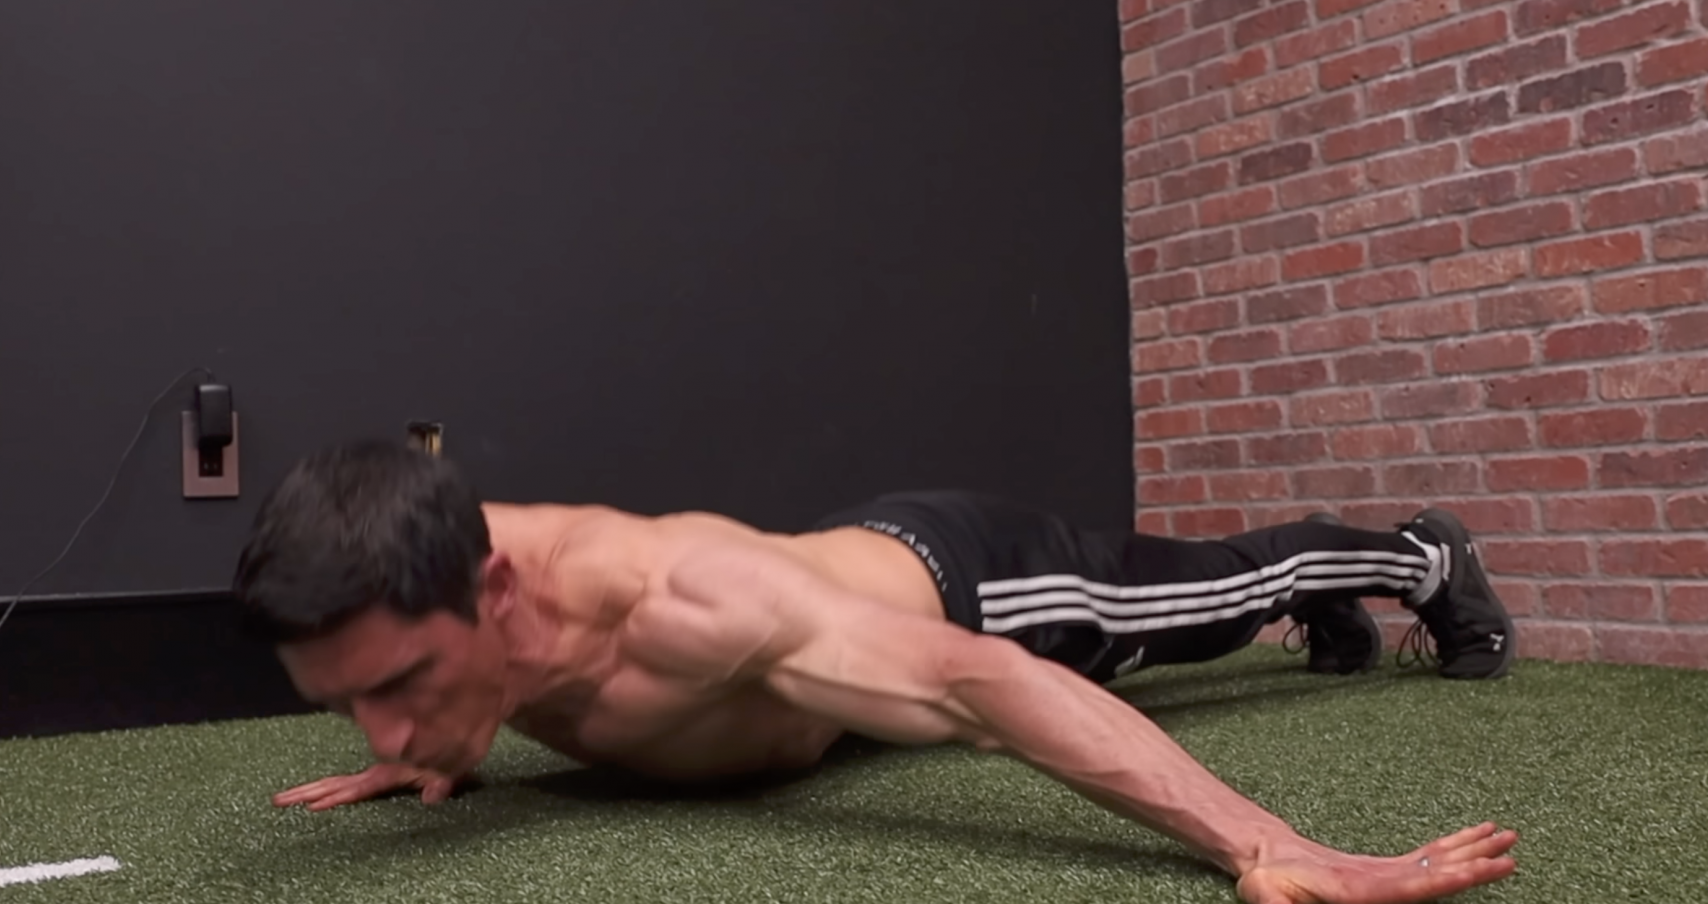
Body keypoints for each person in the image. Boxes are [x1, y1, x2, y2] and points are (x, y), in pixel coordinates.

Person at [233, 441, 1519, 904]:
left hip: (976, 583)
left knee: (1208, 590)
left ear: (497, 592)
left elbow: (976, 687)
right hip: (839, 611)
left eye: (400, 681)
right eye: (349, 697)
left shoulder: (686, 602)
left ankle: (1413, 557)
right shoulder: (436, 582)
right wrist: (430, 732)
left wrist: (1262, 839)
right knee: (1212, 599)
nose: (383, 727)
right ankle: (1338, 615)